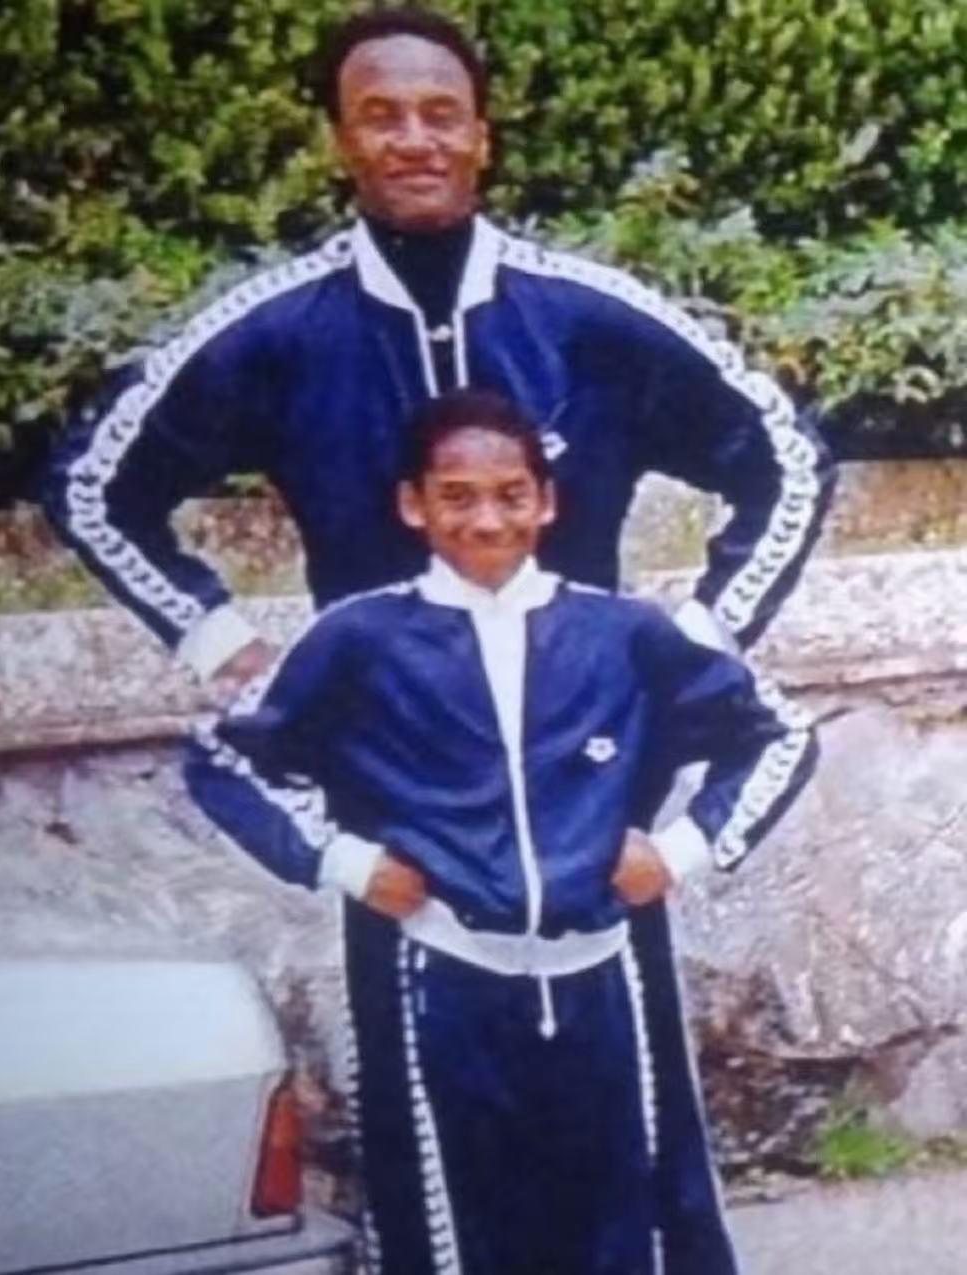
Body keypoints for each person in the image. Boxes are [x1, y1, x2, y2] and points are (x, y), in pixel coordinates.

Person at [43, 8, 835, 1273]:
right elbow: (96, 483)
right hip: (401, 803)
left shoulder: (583, 319)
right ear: (340, 139)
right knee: (437, 1148)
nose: (413, 139)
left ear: (482, 136)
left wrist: (695, 644)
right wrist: (225, 647)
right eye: (380, 115)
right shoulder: (281, 331)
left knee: (634, 1150)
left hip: (593, 789)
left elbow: (784, 456)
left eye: (440, 113)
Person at [184, 389, 819, 1275]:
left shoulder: (620, 632)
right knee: (465, 1233)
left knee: (619, 1224)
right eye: (457, 496)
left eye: (511, 494)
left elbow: (779, 734)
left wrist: (679, 850)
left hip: (601, 981)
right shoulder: (362, 638)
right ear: (414, 504)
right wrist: (347, 861)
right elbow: (222, 755)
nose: (487, 520)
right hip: (447, 980)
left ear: (546, 501)